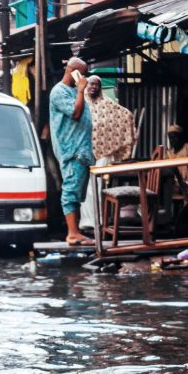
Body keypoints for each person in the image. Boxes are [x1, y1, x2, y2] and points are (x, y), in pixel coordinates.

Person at [80, 74, 136, 232]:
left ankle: (98, 220)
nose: (93, 87)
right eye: (90, 84)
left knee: (97, 185)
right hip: (85, 151)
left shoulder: (107, 104)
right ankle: (87, 221)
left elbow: (126, 115)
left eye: (96, 85)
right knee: (85, 186)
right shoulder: (81, 103)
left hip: (104, 151)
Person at [49, 57, 93, 246]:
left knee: (77, 190)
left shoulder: (74, 91)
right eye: (82, 74)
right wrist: (81, 89)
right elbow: (75, 113)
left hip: (81, 149)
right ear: (73, 72)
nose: (84, 78)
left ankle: (76, 231)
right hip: (71, 149)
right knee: (71, 189)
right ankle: (72, 233)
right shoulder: (59, 92)